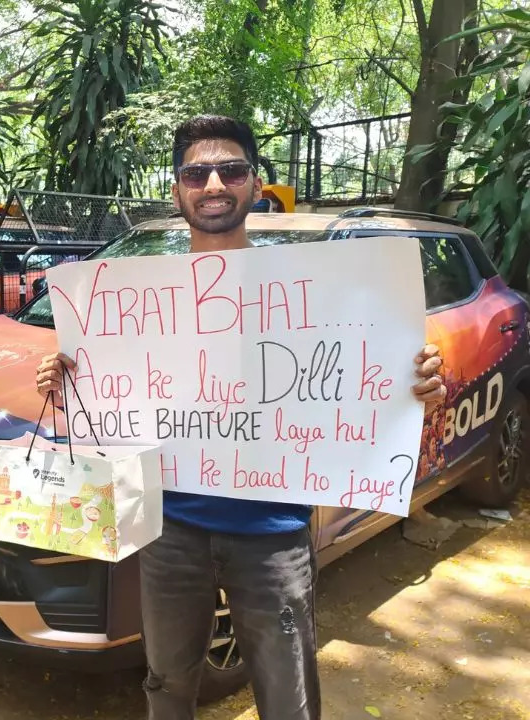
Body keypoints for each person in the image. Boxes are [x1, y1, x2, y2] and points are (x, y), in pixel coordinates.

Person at [34, 115, 446, 720]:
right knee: (167, 686)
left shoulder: (313, 292)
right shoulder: (136, 298)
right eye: (196, 172)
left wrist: (414, 387)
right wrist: (64, 381)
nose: (214, 183)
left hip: (273, 537)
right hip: (170, 530)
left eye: (231, 169)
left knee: (288, 697)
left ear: (255, 183)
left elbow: (369, 374)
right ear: (178, 191)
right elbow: (112, 396)